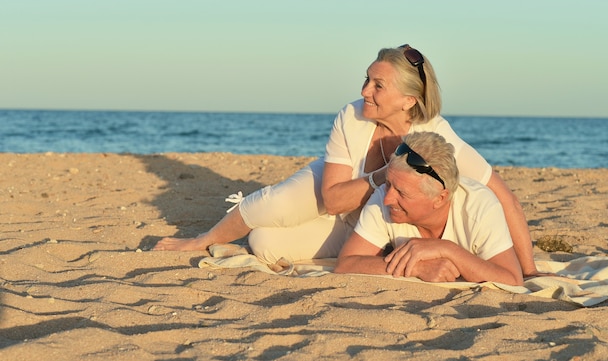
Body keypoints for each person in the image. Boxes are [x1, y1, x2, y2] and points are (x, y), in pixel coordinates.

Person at [154, 44, 539, 276]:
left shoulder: (437, 137)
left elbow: (505, 198)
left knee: (264, 243)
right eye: (367, 79)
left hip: (369, 217)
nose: (364, 91)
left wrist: (530, 270)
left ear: (409, 100)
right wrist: (382, 176)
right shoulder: (352, 117)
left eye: (377, 85)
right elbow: (335, 199)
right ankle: (202, 239)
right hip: (340, 191)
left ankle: (371, 248)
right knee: (277, 204)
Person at [335, 131, 523, 286]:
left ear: (440, 198)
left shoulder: (479, 206)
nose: (388, 199)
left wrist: (447, 249)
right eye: (388, 183)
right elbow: (346, 264)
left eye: (402, 192)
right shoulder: (384, 195)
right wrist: (416, 268)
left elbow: (513, 280)